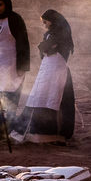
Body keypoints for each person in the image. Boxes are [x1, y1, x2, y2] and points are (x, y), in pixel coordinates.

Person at [19, 9, 76, 141]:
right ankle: (40, 131)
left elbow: (46, 47)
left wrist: (44, 46)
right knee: (42, 96)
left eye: (45, 21)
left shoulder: (60, 33)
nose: (44, 24)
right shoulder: (50, 34)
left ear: (53, 20)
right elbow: (45, 47)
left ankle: (58, 134)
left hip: (58, 71)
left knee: (56, 99)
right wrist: (44, 46)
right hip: (48, 70)